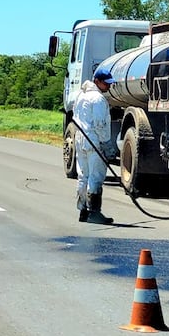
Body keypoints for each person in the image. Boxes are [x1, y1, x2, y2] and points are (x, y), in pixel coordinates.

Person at [73, 67, 116, 224]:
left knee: (83, 176)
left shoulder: (81, 96)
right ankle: (94, 212)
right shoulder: (98, 99)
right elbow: (100, 124)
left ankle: (82, 210)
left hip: (80, 138)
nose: (109, 86)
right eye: (106, 84)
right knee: (95, 177)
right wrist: (106, 144)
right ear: (97, 82)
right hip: (94, 140)